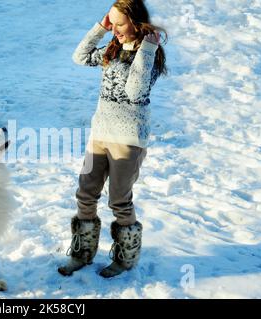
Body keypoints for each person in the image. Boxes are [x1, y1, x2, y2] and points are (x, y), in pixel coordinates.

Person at [58, 0, 167, 278]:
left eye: (119, 23)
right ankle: (81, 254)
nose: (115, 29)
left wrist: (148, 48)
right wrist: (99, 28)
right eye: (112, 22)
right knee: (85, 193)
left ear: (135, 21)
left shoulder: (150, 54)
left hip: (128, 140)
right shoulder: (111, 48)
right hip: (100, 135)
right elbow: (79, 57)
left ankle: (125, 258)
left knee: (119, 200)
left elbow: (134, 91)